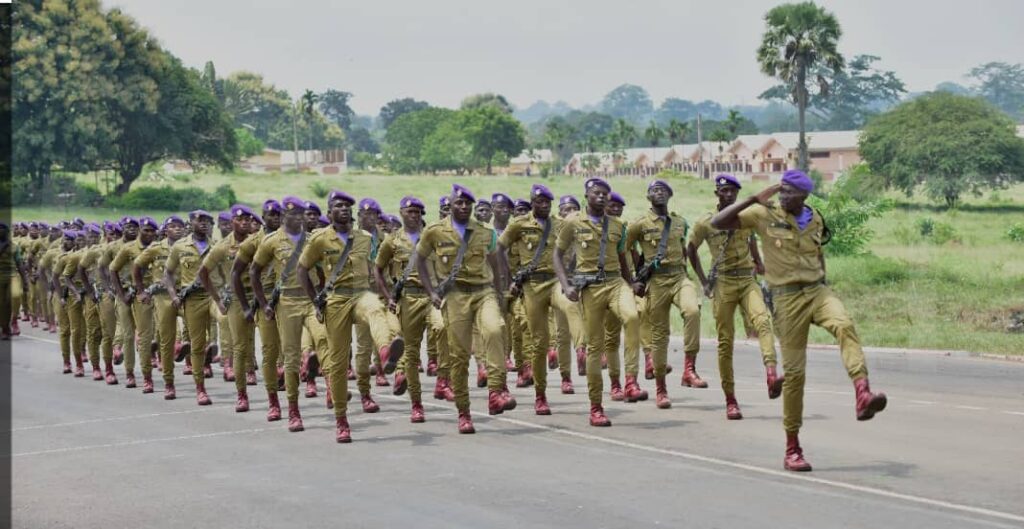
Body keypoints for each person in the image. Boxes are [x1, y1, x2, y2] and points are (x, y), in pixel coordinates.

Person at [711, 169, 888, 472]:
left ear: (804, 196)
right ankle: (792, 447)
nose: (783, 196)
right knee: (794, 376)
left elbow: (818, 253)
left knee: (844, 324)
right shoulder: (764, 214)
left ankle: (862, 393)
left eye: (790, 193)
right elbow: (718, 222)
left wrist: (824, 280)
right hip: (786, 299)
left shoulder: (815, 218)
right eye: (781, 191)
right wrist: (752, 199)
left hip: (817, 291)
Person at [415, 184, 508, 433]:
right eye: (459, 202)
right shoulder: (435, 231)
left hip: (483, 291)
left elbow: (495, 264)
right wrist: (431, 291)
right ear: (451, 204)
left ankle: (496, 391)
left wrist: (500, 294)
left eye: (468, 203)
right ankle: (464, 412)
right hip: (455, 296)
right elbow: (419, 260)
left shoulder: (485, 232)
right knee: (459, 356)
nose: (464, 206)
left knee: (495, 330)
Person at [689, 174, 780, 420]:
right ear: (716, 193)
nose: (728, 194)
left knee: (763, 321)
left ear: (737, 194)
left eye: (732, 191)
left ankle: (771, 374)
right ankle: (730, 400)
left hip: (747, 280)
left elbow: (751, 239)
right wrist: (704, 281)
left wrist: (759, 262)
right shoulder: (706, 221)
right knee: (725, 342)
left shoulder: (746, 216)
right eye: (724, 191)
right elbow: (691, 249)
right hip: (723, 283)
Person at [553, 178, 643, 427]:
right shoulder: (572, 222)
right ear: (587, 195)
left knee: (632, 317)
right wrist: (566, 285)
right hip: (590, 288)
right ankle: (596, 407)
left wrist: (632, 282)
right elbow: (557, 255)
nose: (602, 197)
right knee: (595, 347)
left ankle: (631, 381)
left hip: (615, 283)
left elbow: (622, 257)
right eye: (596, 193)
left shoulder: (618, 225)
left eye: (605, 194)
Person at [626, 180, 702, 409]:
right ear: (648, 197)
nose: (659, 193)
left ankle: (689, 369)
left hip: (679, 276)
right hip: (657, 282)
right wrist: (634, 278)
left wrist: (689, 274)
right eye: (654, 190)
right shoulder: (639, 224)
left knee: (692, 311)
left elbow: (683, 248)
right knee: (660, 336)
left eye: (663, 190)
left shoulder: (680, 222)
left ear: (670, 195)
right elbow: (623, 249)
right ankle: (661, 389)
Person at [497, 184, 569, 415]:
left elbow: (574, 248)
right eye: (540, 201)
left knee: (570, 306)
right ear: (532, 203)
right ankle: (540, 394)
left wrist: (570, 277)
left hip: (555, 281)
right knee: (538, 342)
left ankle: (580, 349)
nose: (544, 205)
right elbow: (499, 248)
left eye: (548, 202)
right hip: (532, 286)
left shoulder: (560, 224)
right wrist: (509, 278)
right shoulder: (519, 224)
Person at [199, 205, 258, 412]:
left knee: (270, 345)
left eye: (247, 219)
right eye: (240, 219)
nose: (244, 223)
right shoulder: (223, 246)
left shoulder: (258, 241)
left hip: (259, 296)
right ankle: (242, 395)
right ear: (232, 221)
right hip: (236, 299)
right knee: (239, 346)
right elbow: (203, 272)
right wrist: (217, 299)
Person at [162, 210, 216, 405]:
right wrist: (173, 296)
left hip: (214, 295)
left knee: (227, 322)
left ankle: (220, 351)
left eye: (207, 220)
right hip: (192, 298)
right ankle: (200, 388)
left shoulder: (216, 245)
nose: (204, 223)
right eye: (199, 220)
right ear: (190, 223)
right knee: (197, 344)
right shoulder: (180, 247)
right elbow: (168, 274)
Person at [133, 215, 187, 398]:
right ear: (165, 230)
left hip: (185, 294)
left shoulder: (188, 247)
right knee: (164, 341)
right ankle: (164, 381)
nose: (177, 229)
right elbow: (137, 265)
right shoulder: (156, 248)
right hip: (163, 297)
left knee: (198, 334)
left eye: (180, 226)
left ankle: (197, 376)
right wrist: (141, 290)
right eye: (173, 226)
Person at [110, 218, 159, 390]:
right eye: (146, 230)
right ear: (140, 231)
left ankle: (147, 377)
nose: (149, 234)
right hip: (127, 294)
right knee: (128, 336)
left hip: (146, 295)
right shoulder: (128, 248)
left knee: (145, 338)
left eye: (152, 231)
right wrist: (121, 294)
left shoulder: (158, 248)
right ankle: (129, 373)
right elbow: (113, 269)